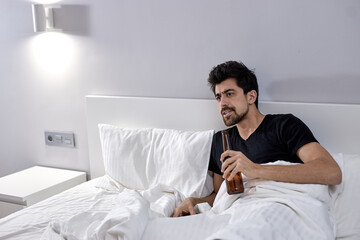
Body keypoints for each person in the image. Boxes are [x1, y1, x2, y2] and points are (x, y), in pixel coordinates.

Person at [172, 60, 342, 217]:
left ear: (251, 97)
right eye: (218, 97)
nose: (222, 102)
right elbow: (221, 196)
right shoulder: (220, 141)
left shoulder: (284, 126)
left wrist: (255, 170)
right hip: (238, 215)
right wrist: (194, 201)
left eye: (229, 94)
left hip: (279, 210)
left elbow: (331, 172)